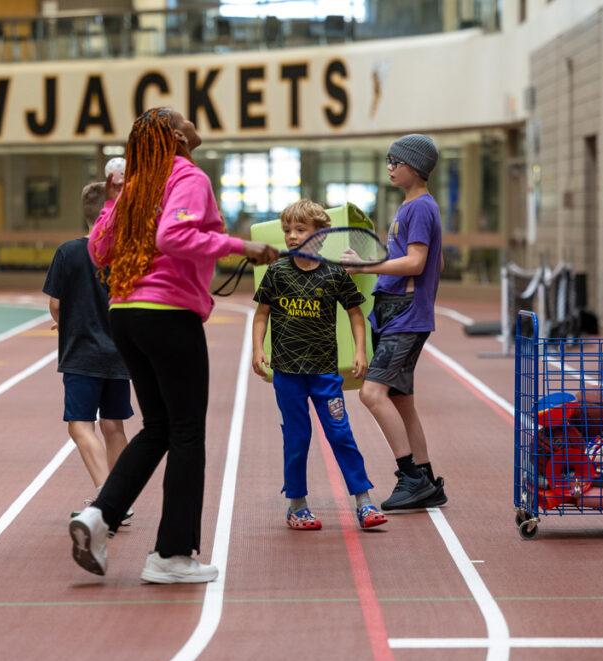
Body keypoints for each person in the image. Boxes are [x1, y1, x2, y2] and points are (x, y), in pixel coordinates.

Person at [69, 107, 278, 582]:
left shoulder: (138, 184)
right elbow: (175, 234)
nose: (193, 122)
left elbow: (98, 249)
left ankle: (99, 515)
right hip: (166, 315)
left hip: (125, 315)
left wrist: (111, 201)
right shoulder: (187, 175)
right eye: (185, 120)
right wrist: (241, 247)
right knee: (186, 432)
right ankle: (172, 555)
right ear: (178, 137)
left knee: (159, 427)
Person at [252, 199, 387, 531]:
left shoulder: (335, 273)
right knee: (297, 438)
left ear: (322, 235)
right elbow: (261, 316)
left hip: (325, 373)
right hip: (287, 374)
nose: (292, 236)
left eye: (301, 230)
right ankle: (297, 506)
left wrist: (360, 352)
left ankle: (364, 502)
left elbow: (356, 315)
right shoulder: (276, 272)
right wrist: (257, 349)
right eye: (287, 231)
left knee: (341, 434)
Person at [344, 133, 447, 510]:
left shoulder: (419, 208)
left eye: (395, 161)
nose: (389, 167)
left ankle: (410, 478)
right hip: (397, 312)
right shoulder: (411, 207)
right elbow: (418, 261)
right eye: (388, 160)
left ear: (414, 167)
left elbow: (416, 263)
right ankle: (427, 479)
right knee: (402, 402)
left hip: (404, 316)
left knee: (371, 393)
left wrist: (366, 265)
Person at [43, 182, 133, 518]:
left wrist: (65, 319)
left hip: (81, 353)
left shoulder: (69, 252)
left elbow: (56, 303)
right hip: (120, 352)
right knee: (114, 425)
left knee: (80, 425)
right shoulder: (125, 253)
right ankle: (121, 497)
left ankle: (105, 497)